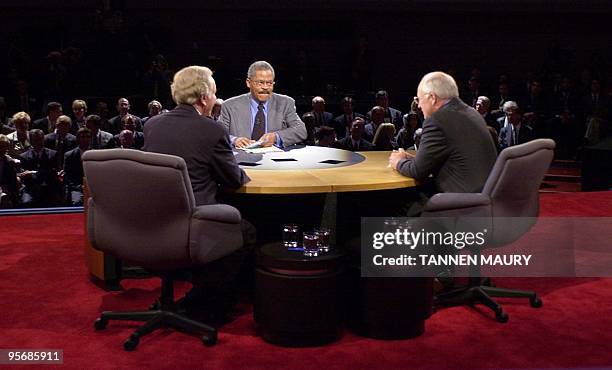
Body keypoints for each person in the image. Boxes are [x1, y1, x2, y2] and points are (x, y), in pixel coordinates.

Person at [144, 65, 252, 321]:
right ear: (204, 97)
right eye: (214, 93)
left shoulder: (152, 125)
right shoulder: (211, 129)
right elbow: (233, 179)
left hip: (153, 219)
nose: (215, 98)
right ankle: (208, 304)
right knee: (246, 231)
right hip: (192, 222)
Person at [389, 71, 497, 205]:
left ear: (432, 98)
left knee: (392, 204)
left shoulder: (437, 120)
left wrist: (398, 162)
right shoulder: (471, 113)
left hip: (458, 207)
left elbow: (417, 171)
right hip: (484, 199)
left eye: (419, 99)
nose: (419, 106)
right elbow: (450, 157)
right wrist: (412, 159)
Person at [218, 61, 307, 149]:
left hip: (275, 159)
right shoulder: (229, 106)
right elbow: (217, 134)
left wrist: (275, 137)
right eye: (260, 82)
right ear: (248, 83)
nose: (265, 87)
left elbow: (301, 130)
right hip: (240, 159)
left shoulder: (285, 103)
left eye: (269, 83)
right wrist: (234, 140)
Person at [63, 127, 91, 206]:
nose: (85, 139)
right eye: (82, 137)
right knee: (77, 202)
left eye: (88, 137)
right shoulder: (69, 155)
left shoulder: (96, 154)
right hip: (77, 188)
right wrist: (80, 187)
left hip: (93, 188)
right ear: (77, 139)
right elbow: (68, 176)